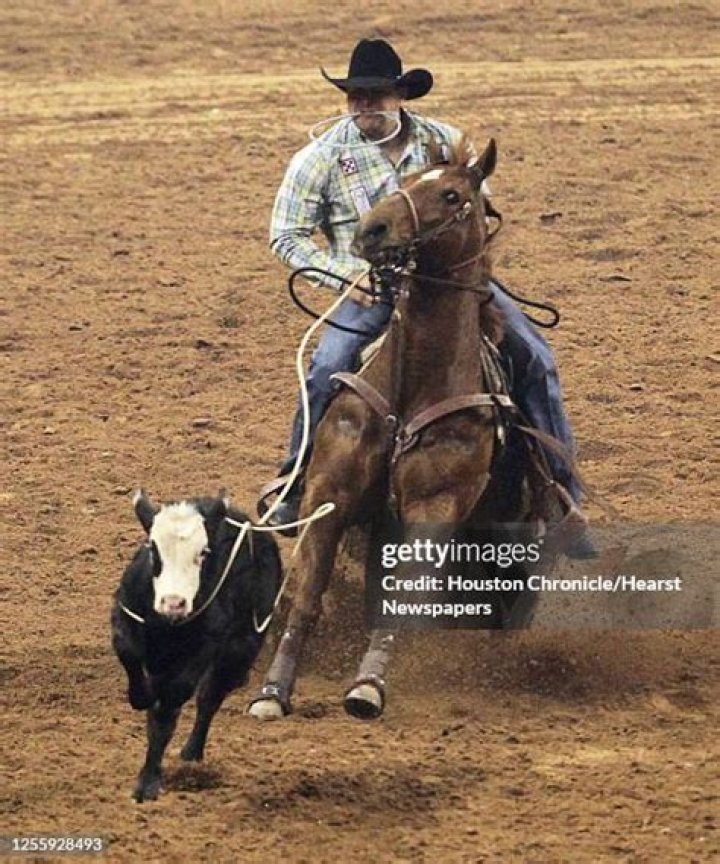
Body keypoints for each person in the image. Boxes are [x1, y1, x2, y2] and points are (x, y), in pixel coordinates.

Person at [263, 38, 597, 558]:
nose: (364, 105)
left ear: (399, 95)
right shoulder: (320, 158)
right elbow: (286, 235)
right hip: (372, 286)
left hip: (452, 288)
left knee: (533, 356)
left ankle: (559, 492)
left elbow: (478, 212)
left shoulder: (444, 144)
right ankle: (294, 482)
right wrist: (347, 275)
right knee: (328, 362)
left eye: (375, 94)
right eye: (355, 96)